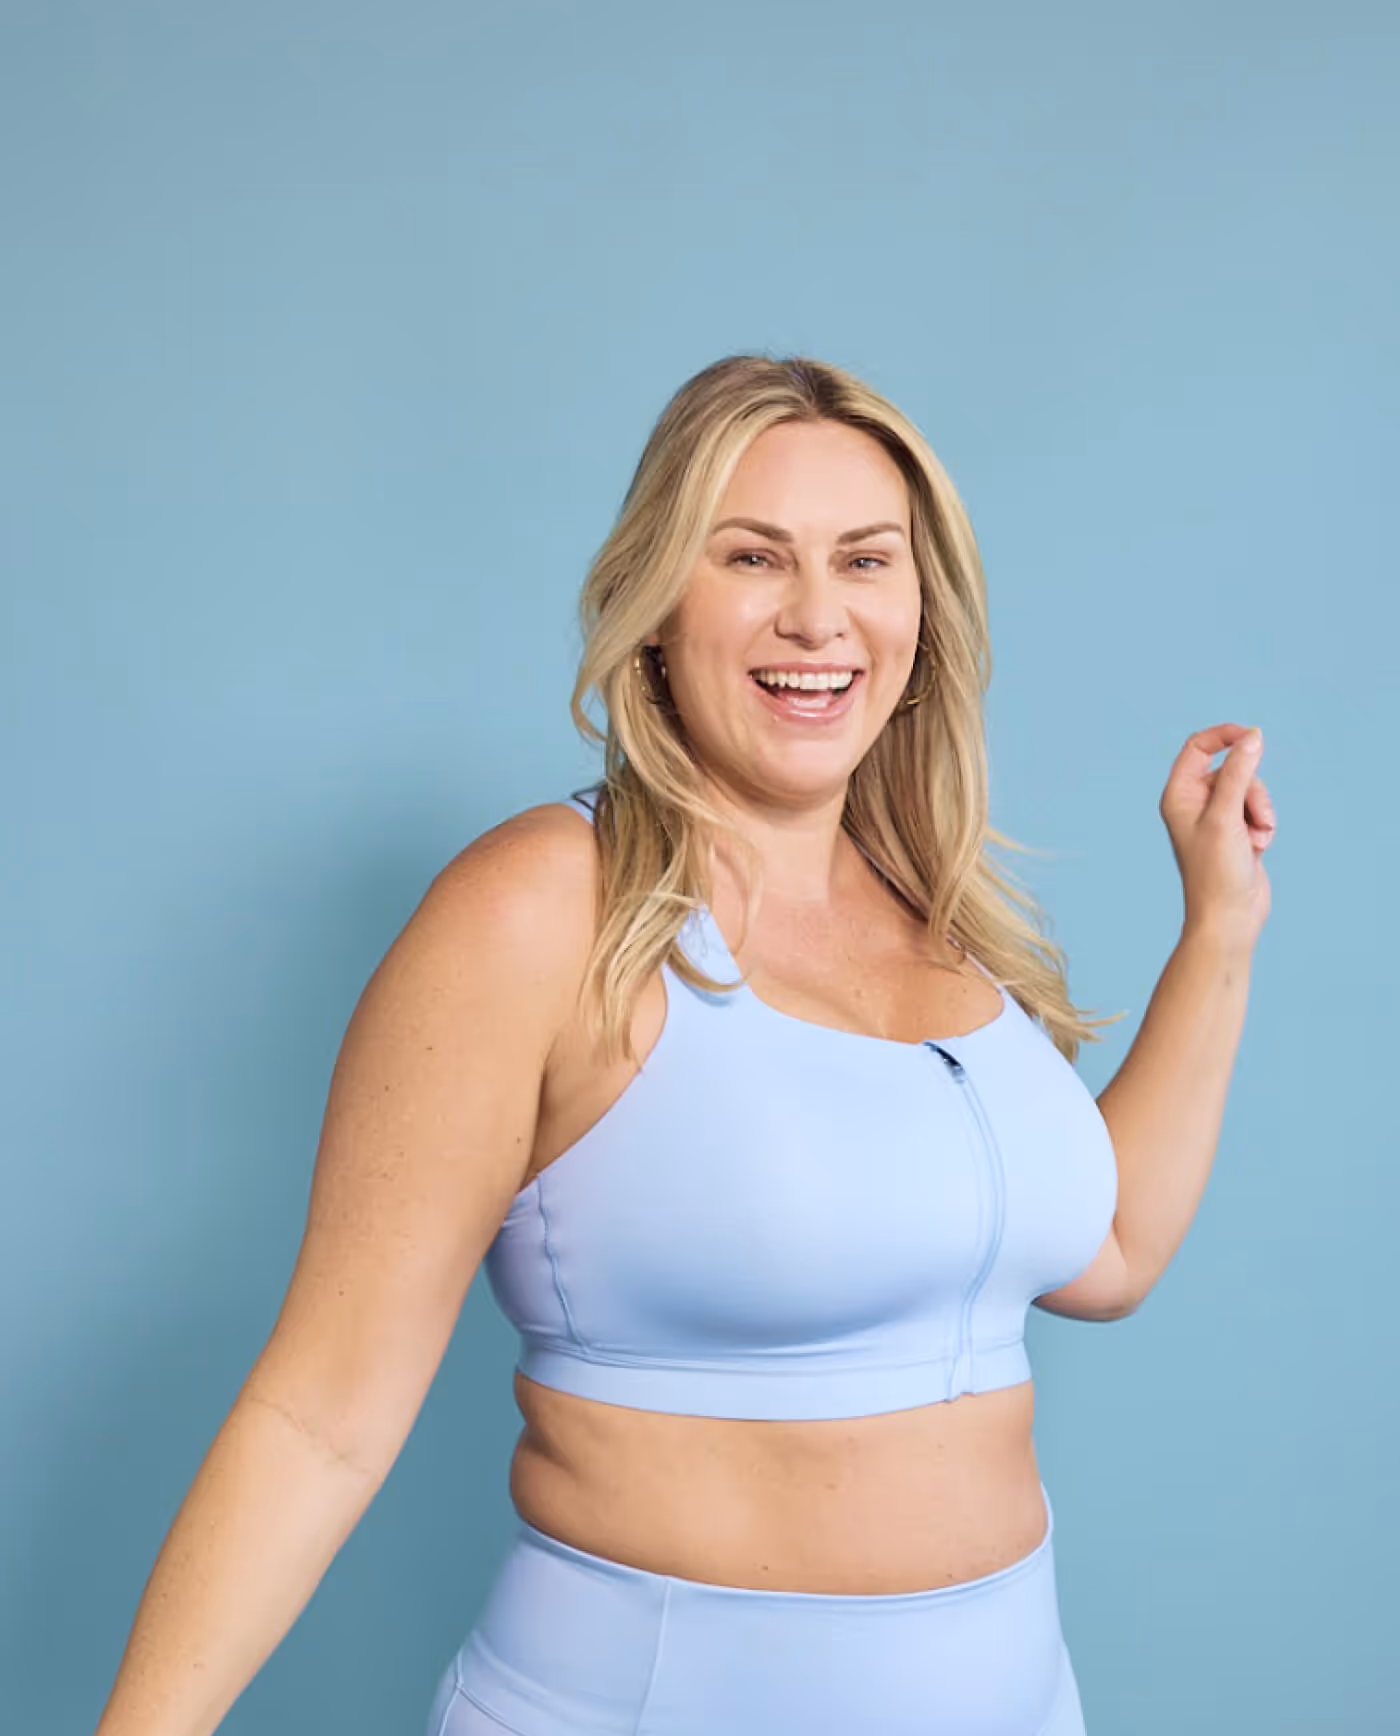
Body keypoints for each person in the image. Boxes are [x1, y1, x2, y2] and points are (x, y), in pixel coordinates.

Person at [96, 353, 1274, 1736]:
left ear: (922, 609)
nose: (818, 615)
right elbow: (321, 1420)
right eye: (753, 556)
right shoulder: (543, 908)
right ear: (658, 602)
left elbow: (1109, 1251)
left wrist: (1220, 932)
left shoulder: (947, 926)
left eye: (866, 560)